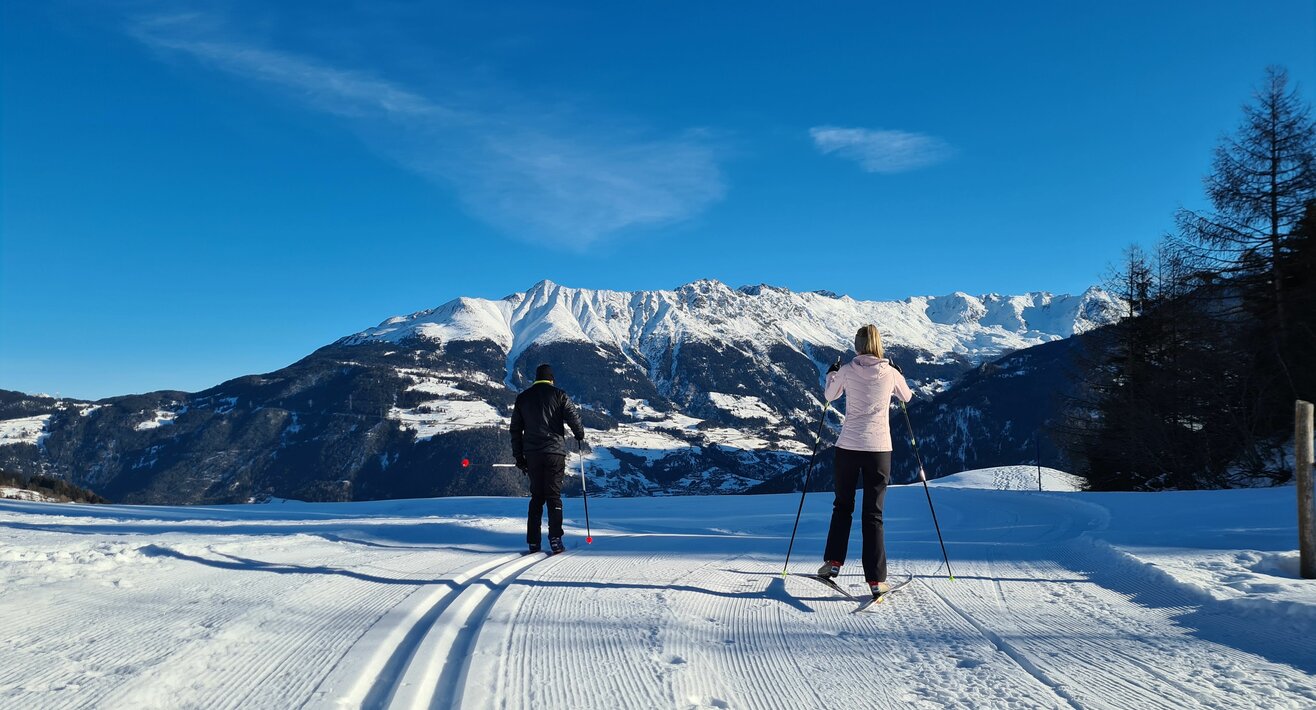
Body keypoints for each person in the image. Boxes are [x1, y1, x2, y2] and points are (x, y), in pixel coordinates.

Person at [817, 325, 913, 601]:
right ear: (879, 345)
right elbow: (906, 397)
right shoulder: (891, 373)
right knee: (873, 515)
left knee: (843, 506)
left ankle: (832, 564)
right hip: (879, 449)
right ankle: (875, 580)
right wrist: (900, 375)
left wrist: (831, 373)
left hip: (848, 446)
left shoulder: (846, 370)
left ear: (857, 346)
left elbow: (830, 396)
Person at [510, 363, 585, 554]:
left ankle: (533, 542)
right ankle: (555, 539)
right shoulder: (559, 395)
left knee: (536, 497)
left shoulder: (523, 398)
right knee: (553, 496)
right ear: (552, 379)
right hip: (554, 453)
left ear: (536, 378)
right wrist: (579, 434)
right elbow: (573, 417)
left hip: (532, 454)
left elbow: (516, 430)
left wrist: (519, 456)